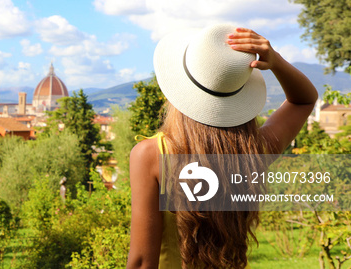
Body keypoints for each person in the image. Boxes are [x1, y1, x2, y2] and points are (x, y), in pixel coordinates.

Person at [126, 24, 318, 269]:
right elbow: (304, 100)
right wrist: (276, 60)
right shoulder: (252, 152)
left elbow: (143, 262)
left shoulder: (151, 155)